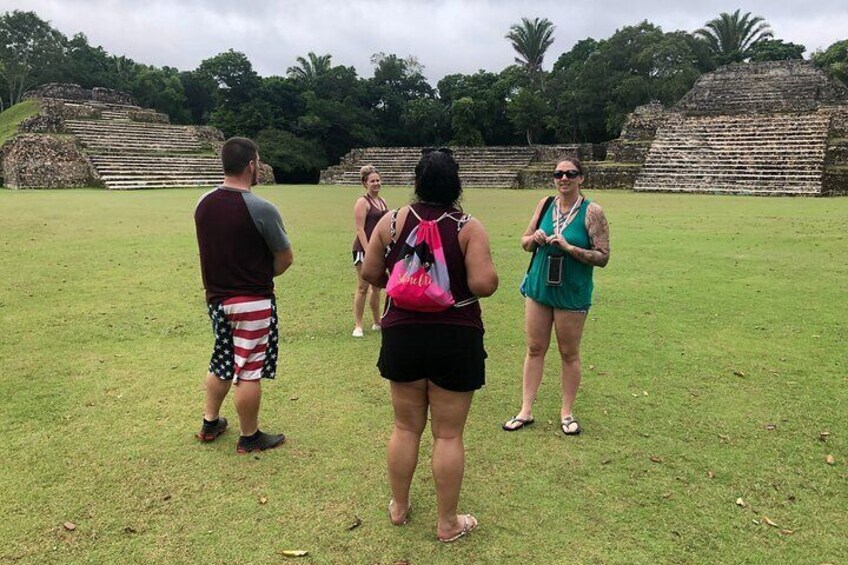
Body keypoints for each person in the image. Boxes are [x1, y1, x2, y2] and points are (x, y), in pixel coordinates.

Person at [362, 147, 498, 543]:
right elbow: (483, 285)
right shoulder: (468, 227)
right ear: (456, 184)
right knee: (448, 435)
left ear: (417, 182)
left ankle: (400, 507)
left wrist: (407, 277)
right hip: (456, 336)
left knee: (405, 427)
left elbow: (371, 272)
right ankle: (447, 522)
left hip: (402, 332)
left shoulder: (391, 221)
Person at [194, 137, 294, 453]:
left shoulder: (203, 203)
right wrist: (263, 275)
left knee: (222, 360)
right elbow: (285, 257)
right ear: (251, 165)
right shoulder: (261, 208)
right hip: (252, 301)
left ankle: (210, 422)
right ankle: (249, 436)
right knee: (249, 370)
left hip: (217, 300)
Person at [502, 158, 610, 436]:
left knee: (568, 353)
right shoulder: (544, 204)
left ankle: (567, 412)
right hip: (539, 288)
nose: (564, 178)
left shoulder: (592, 212)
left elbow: (602, 257)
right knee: (535, 349)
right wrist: (534, 239)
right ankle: (525, 410)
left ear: (581, 178)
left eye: (570, 174)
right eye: (559, 174)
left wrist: (569, 247)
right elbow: (524, 241)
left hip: (571, 292)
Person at [352, 165, 388, 337]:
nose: (376, 183)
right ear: (365, 183)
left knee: (377, 287)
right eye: (372, 181)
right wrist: (368, 252)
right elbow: (360, 229)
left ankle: (376, 321)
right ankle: (358, 325)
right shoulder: (362, 202)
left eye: (378, 180)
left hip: (379, 250)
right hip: (362, 249)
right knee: (363, 287)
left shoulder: (382, 202)